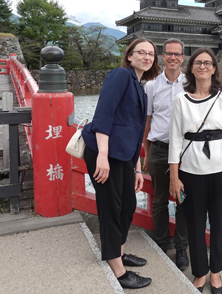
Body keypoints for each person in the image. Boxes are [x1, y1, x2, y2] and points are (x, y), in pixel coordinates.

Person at [81, 38, 160, 289]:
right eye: (141, 53)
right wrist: (103, 155)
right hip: (105, 153)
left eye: (151, 54)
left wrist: (137, 167)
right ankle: (118, 270)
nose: (146, 57)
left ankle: (119, 250)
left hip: (124, 156)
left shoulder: (140, 85)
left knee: (128, 204)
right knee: (111, 207)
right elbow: (103, 114)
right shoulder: (120, 76)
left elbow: (136, 131)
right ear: (129, 56)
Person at [168, 48, 222, 294]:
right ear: (191, 68)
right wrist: (175, 177)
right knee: (195, 224)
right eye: (197, 62)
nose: (202, 66)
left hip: (221, 170)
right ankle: (199, 272)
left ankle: (216, 272)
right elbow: (175, 141)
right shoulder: (180, 100)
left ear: (214, 68)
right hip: (190, 171)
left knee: (220, 223)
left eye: (207, 63)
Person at [142, 38, 189, 270]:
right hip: (160, 149)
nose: (173, 57)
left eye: (177, 54)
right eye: (169, 53)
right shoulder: (151, 86)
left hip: (186, 152)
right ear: (163, 56)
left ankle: (182, 247)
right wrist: (146, 154)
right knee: (160, 198)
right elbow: (147, 121)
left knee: (183, 199)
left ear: (183, 57)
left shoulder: (190, 83)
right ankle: (161, 241)